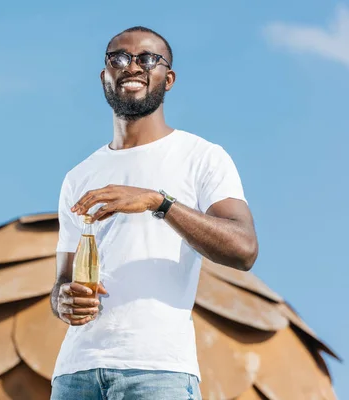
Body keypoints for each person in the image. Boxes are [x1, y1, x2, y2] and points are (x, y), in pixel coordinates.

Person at [50, 26, 258, 400]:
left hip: (156, 373)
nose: (132, 67)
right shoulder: (78, 176)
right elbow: (61, 282)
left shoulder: (202, 157)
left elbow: (243, 249)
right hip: (74, 374)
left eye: (148, 59)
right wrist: (63, 300)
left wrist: (157, 202)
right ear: (105, 75)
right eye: (120, 58)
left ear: (169, 78)